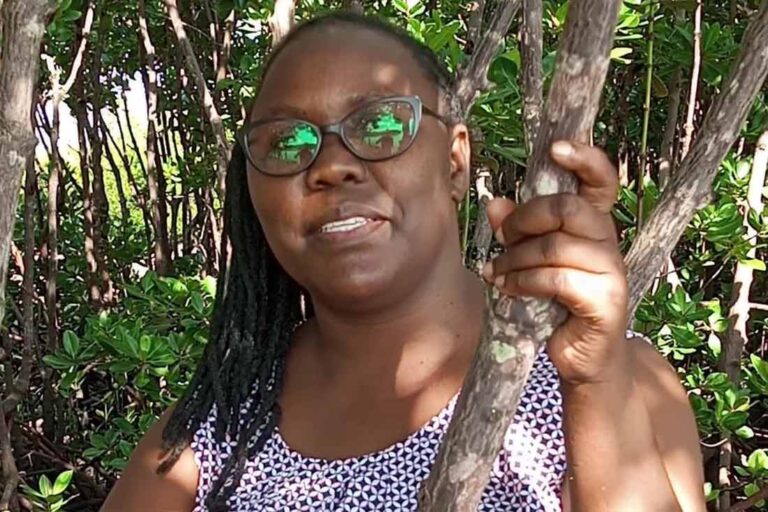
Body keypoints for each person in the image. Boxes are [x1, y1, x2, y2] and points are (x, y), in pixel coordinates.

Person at [102, 12, 705, 512]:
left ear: (456, 161)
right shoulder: (211, 437)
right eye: (287, 142)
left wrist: (592, 385)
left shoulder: (611, 380)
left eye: (383, 123)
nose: (332, 165)